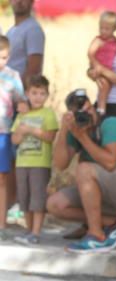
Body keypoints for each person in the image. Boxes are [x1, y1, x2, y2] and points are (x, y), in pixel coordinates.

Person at [47, 90, 116, 252]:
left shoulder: (110, 124)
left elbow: (110, 162)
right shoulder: (77, 128)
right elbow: (61, 164)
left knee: (84, 169)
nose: (88, 115)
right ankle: (113, 223)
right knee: (55, 205)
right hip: (108, 189)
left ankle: (96, 235)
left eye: (89, 109)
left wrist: (83, 138)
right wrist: (64, 130)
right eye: (82, 113)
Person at [10, 74, 55, 244]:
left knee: (37, 199)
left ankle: (36, 233)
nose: (38, 97)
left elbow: (50, 137)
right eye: (34, 93)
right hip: (22, 164)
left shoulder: (48, 114)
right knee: (25, 199)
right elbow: (14, 140)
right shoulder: (22, 116)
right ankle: (28, 232)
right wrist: (20, 132)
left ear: (47, 95)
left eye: (42, 93)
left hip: (39, 164)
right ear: (27, 94)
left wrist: (31, 130)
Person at [0, 36, 24, 239]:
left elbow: (20, 101)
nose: (1, 61)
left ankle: (2, 223)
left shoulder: (13, 76)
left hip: (4, 133)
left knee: (2, 179)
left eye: (4, 57)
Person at [88, 12, 116, 114]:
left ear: (114, 28)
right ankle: (101, 108)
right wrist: (95, 66)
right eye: (101, 28)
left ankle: (102, 106)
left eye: (107, 29)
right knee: (104, 85)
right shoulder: (99, 40)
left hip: (110, 71)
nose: (103, 31)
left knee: (108, 87)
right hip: (100, 68)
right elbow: (90, 53)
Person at [6, 0, 44, 83]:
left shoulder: (33, 30)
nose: (19, 1)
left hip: (17, 92)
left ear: (31, 2)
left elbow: (34, 70)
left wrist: (18, 91)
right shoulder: (11, 31)